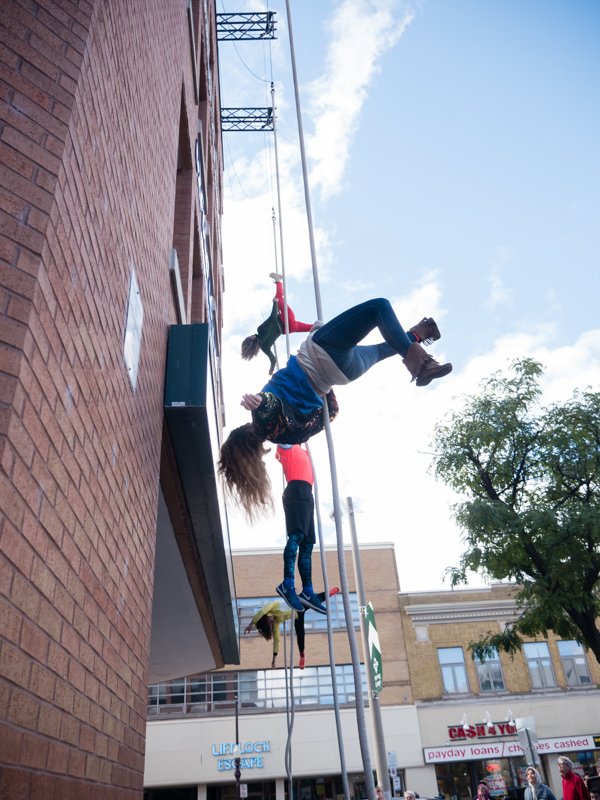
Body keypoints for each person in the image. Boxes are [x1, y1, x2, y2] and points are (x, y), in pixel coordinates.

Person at [219, 298, 451, 517]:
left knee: (384, 348)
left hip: (344, 373)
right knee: (378, 307)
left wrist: (321, 387)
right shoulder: (262, 419)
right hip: (322, 351)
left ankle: (420, 334)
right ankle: (423, 364)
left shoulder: (289, 435)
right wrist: (261, 404)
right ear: (242, 432)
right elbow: (268, 408)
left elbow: (329, 414)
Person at [275, 443, 325, 614]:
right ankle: (287, 583)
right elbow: (282, 439)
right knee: (296, 536)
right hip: (296, 490)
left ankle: (308, 591)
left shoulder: (305, 450)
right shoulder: (286, 446)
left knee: (308, 544)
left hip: (307, 493)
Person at [244, 589, 339, 670]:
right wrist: (273, 660)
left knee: (314, 600)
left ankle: (329, 593)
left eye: (269, 622)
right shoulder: (275, 624)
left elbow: (262, 611)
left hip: (296, 602)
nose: (272, 623)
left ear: (265, 617)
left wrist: (250, 624)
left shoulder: (273, 605)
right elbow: (276, 641)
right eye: (270, 625)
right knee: (300, 632)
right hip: (297, 615)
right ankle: (302, 654)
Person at [241, 273, 313, 375]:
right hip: (286, 318)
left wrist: (271, 369)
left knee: (311, 328)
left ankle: (322, 328)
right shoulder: (260, 330)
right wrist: (275, 303)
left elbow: (273, 359)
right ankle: (278, 280)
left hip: (289, 329)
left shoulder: (265, 348)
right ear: (251, 338)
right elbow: (273, 318)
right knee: (278, 297)